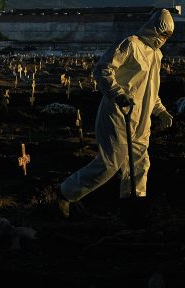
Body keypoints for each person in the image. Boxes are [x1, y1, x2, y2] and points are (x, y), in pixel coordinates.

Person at [55, 9, 175, 218]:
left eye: (168, 36)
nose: (165, 39)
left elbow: (150, 90)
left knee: (140, 164)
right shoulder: (131, 44)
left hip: (141, 118)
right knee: (110, 164)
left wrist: (161, 111)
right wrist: (117, 94)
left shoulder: (156, 55)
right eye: (164, 33)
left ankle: (133, 208)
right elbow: (103, 69)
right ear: (155, 29)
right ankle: (66, 193)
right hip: (119, 114)